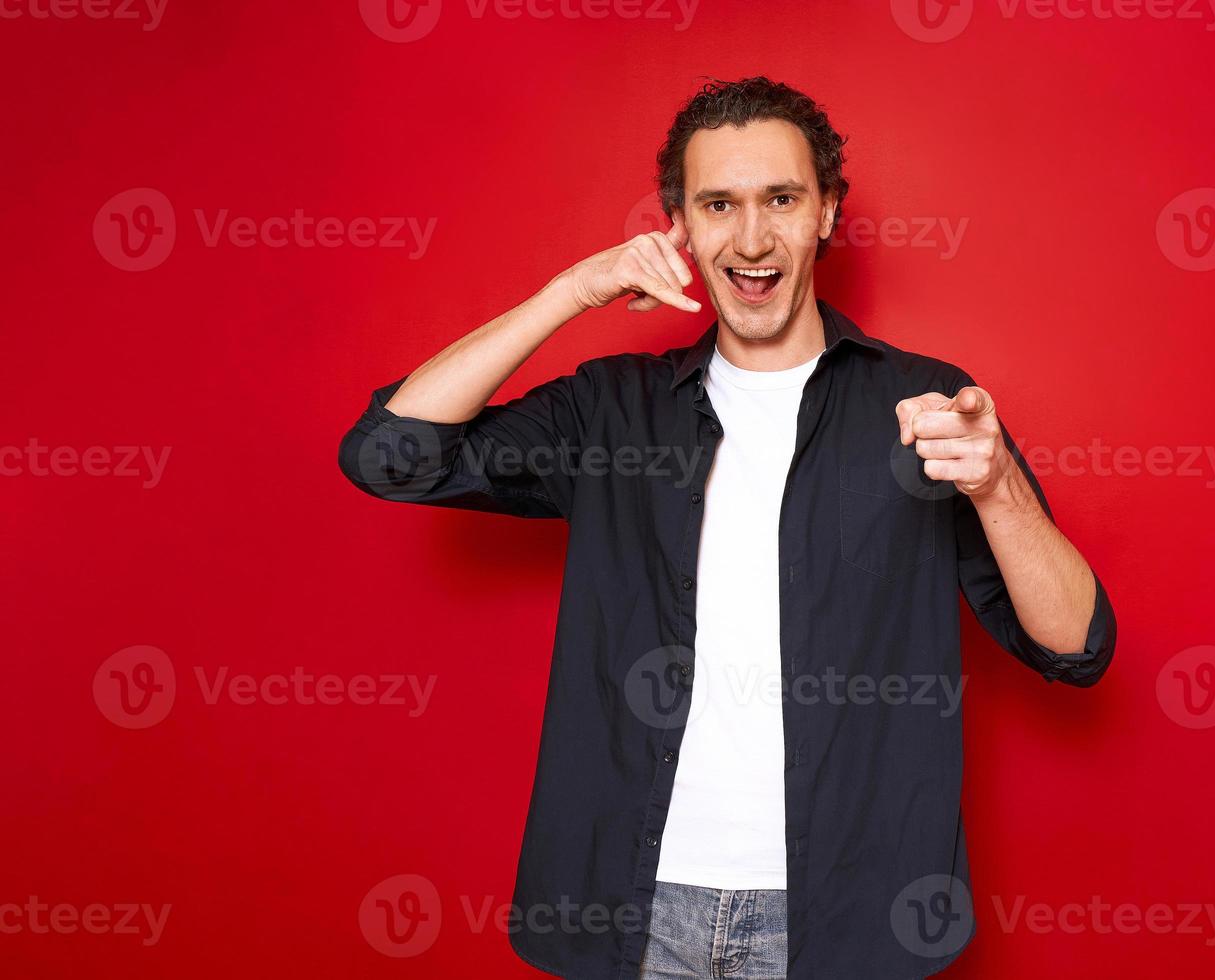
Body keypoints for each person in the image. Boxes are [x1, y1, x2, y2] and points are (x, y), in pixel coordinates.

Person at [339, 75, 1116, 980]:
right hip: (636, 904)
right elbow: (389, 456)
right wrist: (572, 291)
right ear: (680, 224)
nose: (751, 239)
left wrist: (997, 488)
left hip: (847, 909)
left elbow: (1076, 647)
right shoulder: (613, 415)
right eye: (719, 205)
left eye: (781, 199)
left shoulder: (930, 407)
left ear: (826, 210)